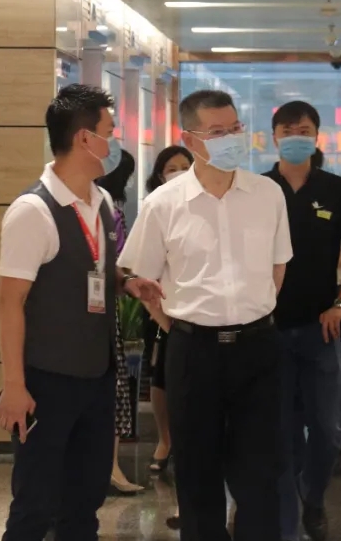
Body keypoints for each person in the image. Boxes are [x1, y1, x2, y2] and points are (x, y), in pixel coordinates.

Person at [119, 89, 292, 541]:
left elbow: (278, 268)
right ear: (190, 139)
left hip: (258, 348)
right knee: (197, 472)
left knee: (261, 472)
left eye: (235, 128)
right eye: (217, 132)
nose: (231, 138)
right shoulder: (163, 203)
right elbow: (143, 282)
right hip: (193, 351)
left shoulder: (267, 194)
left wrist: (251, 312)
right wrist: (178, 326)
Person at [0, 84, 163, 541]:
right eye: (110, 131)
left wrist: (127, 283)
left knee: (85, 500)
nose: (115, 143)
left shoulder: (101, 201)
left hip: (97, 375)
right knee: (35, 505)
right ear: (85, 138)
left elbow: (98, 270)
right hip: (46, 380)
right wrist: (14, 386)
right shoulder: (33, 211)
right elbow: (10, 302)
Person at [264, 101, 341, 541]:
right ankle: (290, 507)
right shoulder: (259, 188)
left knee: (328, 429)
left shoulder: (335, 189)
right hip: (269, 330)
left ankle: (314, 495)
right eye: (288, 129)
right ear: (273, 136)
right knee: (283, 429)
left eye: (304, 130)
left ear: (316, 136)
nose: (296, 136)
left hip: (320, 328)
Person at [96, 148, 147, 496]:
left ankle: (108, 467)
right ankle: (107, 468)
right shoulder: (108, 211)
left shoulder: (104, 208)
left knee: (109, 390)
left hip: (102, 307)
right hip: (95, 313)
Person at [142, 144, 194, 475]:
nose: (178, 174)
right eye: (171, 169)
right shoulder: (154, 208)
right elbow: (140, 269)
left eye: (184, 167)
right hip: (160, 309)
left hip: (195, 313)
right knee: (160, 377)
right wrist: (158, 313)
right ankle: (165, 440)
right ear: (160, 176)